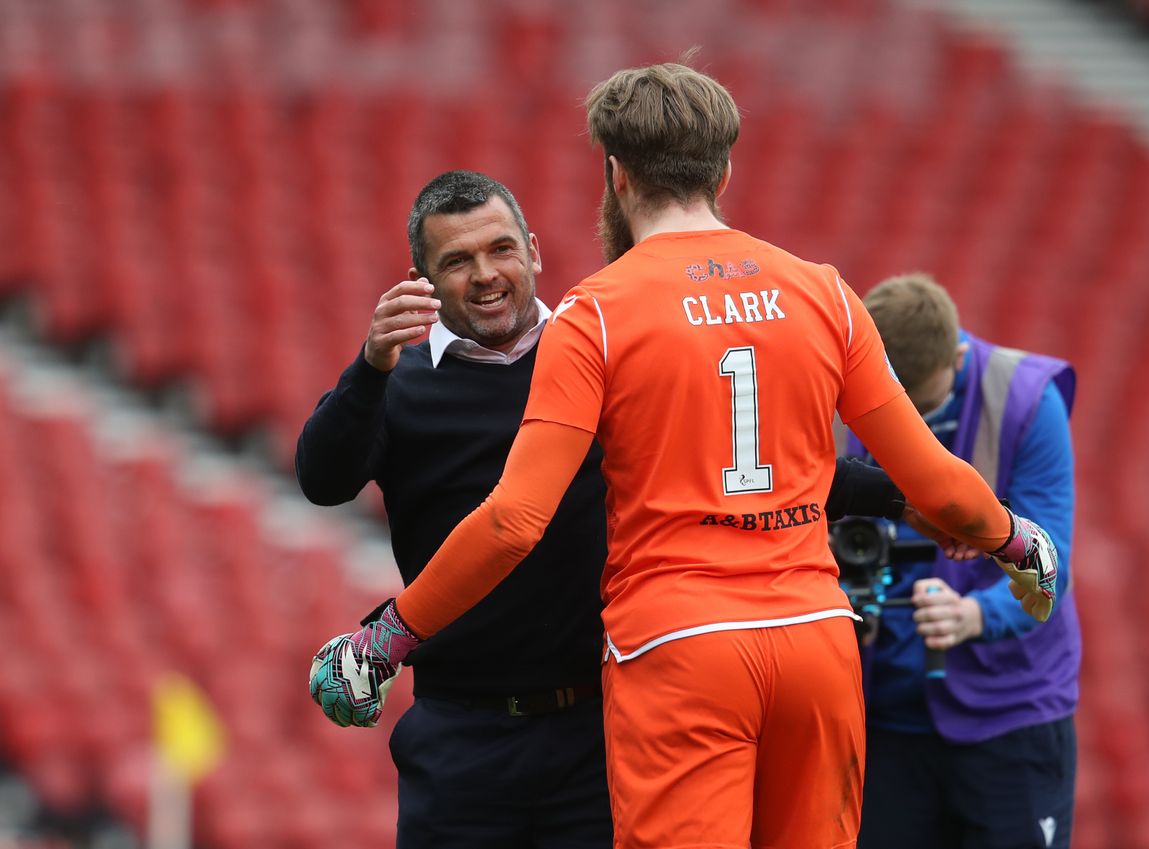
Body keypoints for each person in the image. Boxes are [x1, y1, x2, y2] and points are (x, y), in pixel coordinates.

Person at [309, 62, 1059, 849]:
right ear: (726, 170)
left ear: (616, 172)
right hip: (815, 640)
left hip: (678, 651)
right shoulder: (823, 291)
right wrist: (1015, 540)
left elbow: (512, 522)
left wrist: (387, 637)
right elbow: (932, 480)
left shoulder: (593, 314)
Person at [847, 273, 1080, 849]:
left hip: (1010, 712)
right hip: (886, 716)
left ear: (957, 356)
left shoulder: (1027, 399)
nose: (910, 428)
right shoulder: (842, 394)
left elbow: (1050, 559)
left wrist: (975, 616)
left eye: (921, 407)